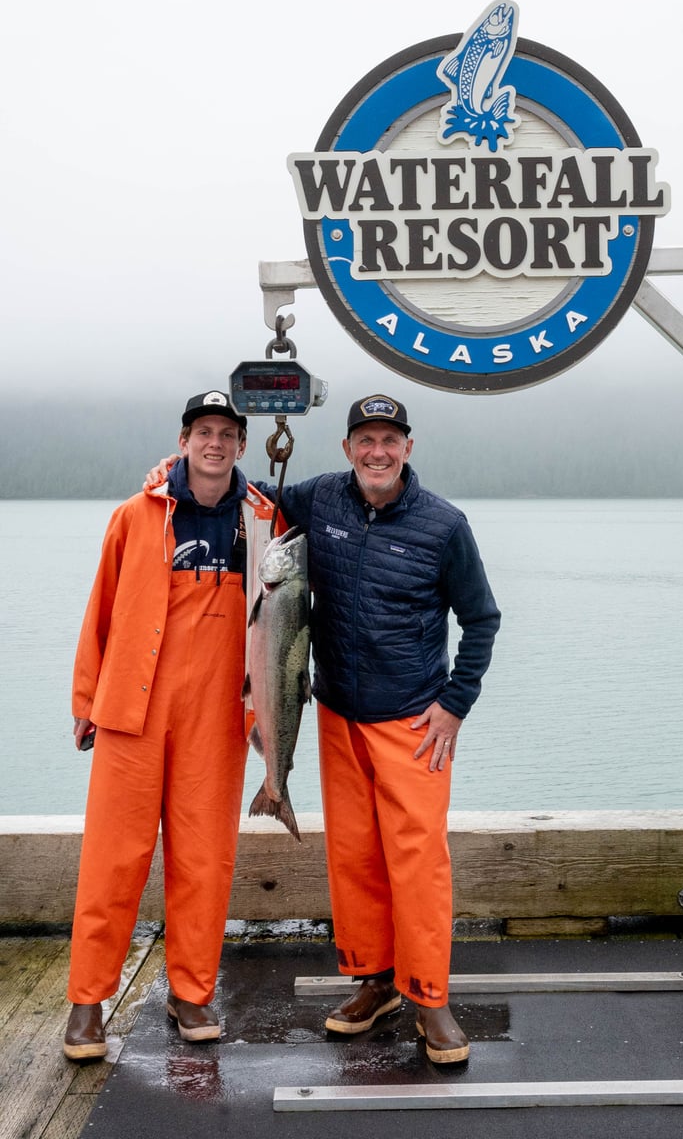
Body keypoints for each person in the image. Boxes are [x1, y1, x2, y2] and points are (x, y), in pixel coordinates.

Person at [148, 391, 501, 1063]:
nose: (376, 452)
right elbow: (245, 495)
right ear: (346, 449)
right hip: (336, 714)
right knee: (355, 858)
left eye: (389, 441)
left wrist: (455, 703)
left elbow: (481, 619)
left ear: (408, 448)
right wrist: (170, 474)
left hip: (412, 723)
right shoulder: (319, 501)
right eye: (364, 440)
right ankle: (376, 984)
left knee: (418, 864)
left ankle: (429, 996)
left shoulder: (444, 525)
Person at [64, 390, 276, 1061]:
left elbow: (285, 620)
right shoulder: (137, 513)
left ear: (243, 445)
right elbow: (101, 605)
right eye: (203, 431)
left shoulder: (265, 521)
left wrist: (270, 717)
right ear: (183, 440)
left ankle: (192, 992)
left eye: (227, 433)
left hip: (216, 716)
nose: (215, 442)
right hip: (133, 711)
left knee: (204, 860)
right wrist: (85, 698)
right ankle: (87, 1003)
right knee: (112, 858)